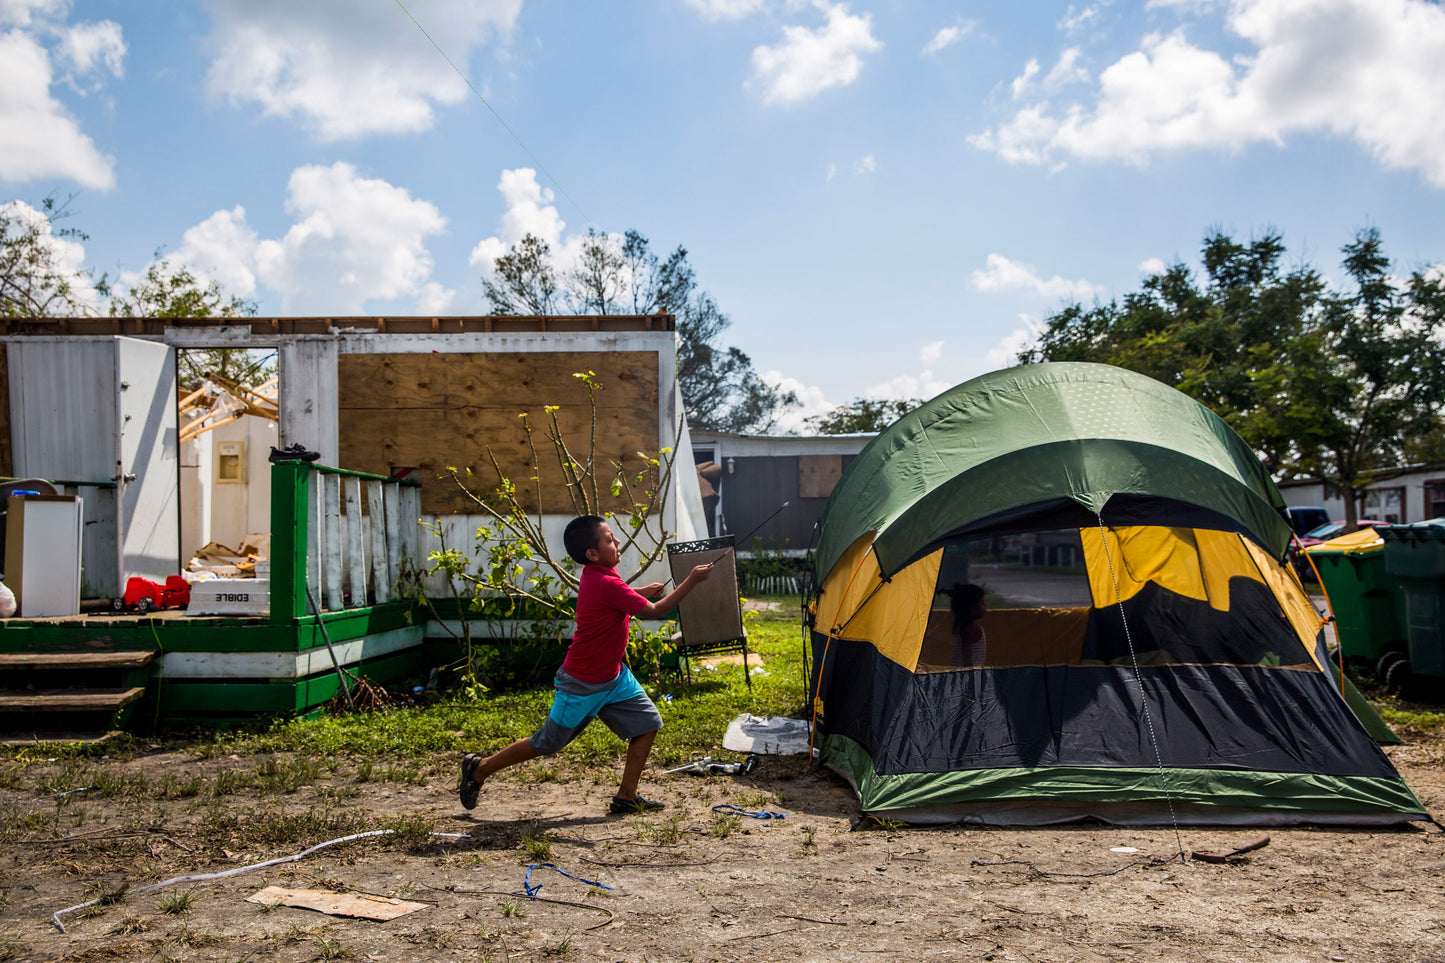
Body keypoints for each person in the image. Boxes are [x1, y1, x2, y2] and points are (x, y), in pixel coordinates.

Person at [457, 515, 713, 815]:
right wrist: (691, 580)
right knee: (546, 743)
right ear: (592, 554)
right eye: (609, 539)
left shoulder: (600, 575)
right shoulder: (604, 581)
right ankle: (480, 768)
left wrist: (639, 593)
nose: (617, 542)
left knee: (648, 724)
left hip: (614, 678)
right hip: (582, 683)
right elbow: (656, 611)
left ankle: (627, 795)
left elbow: (614, 603)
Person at [949, 583, 987, 667]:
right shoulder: (970, 628)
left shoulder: (965, 625)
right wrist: (969, 673)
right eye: (982, 604)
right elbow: (966, 653)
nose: (985, 607)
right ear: (972, 609)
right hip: (965, 673)